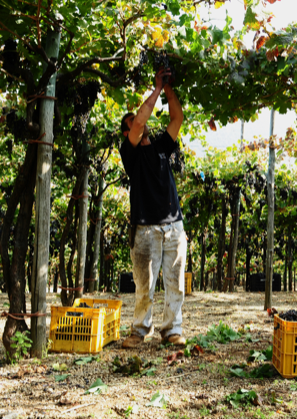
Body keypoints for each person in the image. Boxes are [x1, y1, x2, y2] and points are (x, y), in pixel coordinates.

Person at [119, 67, 186, 348]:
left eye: (141, 118)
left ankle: (172, 330)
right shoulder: (129, 152)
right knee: (144, 286)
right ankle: (139, 330)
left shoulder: (161, 146)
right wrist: (157, 88)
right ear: (127, 131)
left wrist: (169, 87)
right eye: (134, 120)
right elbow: (138, 123)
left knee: (176, 284)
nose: (141, 121)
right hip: (145, 228)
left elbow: (177, 118)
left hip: (173, 225)